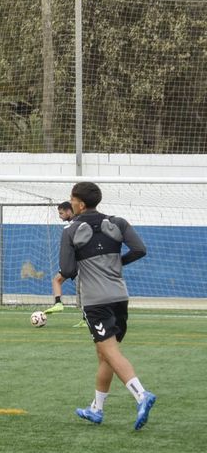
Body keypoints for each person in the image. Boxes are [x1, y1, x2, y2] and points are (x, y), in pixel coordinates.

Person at [62, 182, 156, 429]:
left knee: (111, 353)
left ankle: (141, 395)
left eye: (72, 199)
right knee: (105, 354)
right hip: (120, 297)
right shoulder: (118, 223)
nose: (70, 203)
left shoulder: (70, 230)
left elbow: (68, 269)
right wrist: (117, 263)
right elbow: (140, 249)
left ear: (81, 204)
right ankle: (96, 409)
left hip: (96, 301)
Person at [49, 200, 75, 310]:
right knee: (57, 280)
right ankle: (58, 303)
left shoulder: (74, 226)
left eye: (61, 213)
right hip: (73, 263)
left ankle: (58, 303)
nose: (60, 216)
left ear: (69, 211)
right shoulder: (72, 225)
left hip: (77, 263)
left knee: (86, 289)